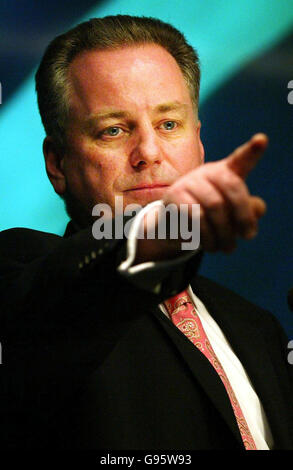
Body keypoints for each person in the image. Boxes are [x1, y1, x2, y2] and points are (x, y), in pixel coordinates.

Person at [0, 15, 292, 451]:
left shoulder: (258, 329)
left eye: (168, 125)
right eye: (113, 130)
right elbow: (56, 302)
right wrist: (154, 233)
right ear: (58, 163)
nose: (149, 153)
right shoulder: (23, 274)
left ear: (200, 144)